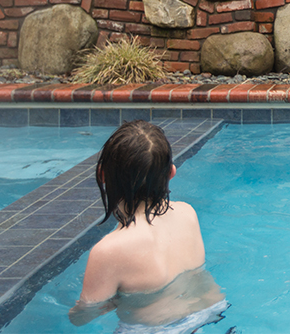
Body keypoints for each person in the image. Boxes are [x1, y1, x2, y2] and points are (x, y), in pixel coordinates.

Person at [69, 120, 226, 332]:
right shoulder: (187, 213)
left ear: (102, 174)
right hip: (212, 314)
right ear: (171, 172)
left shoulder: (109, 251)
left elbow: (83, 317)